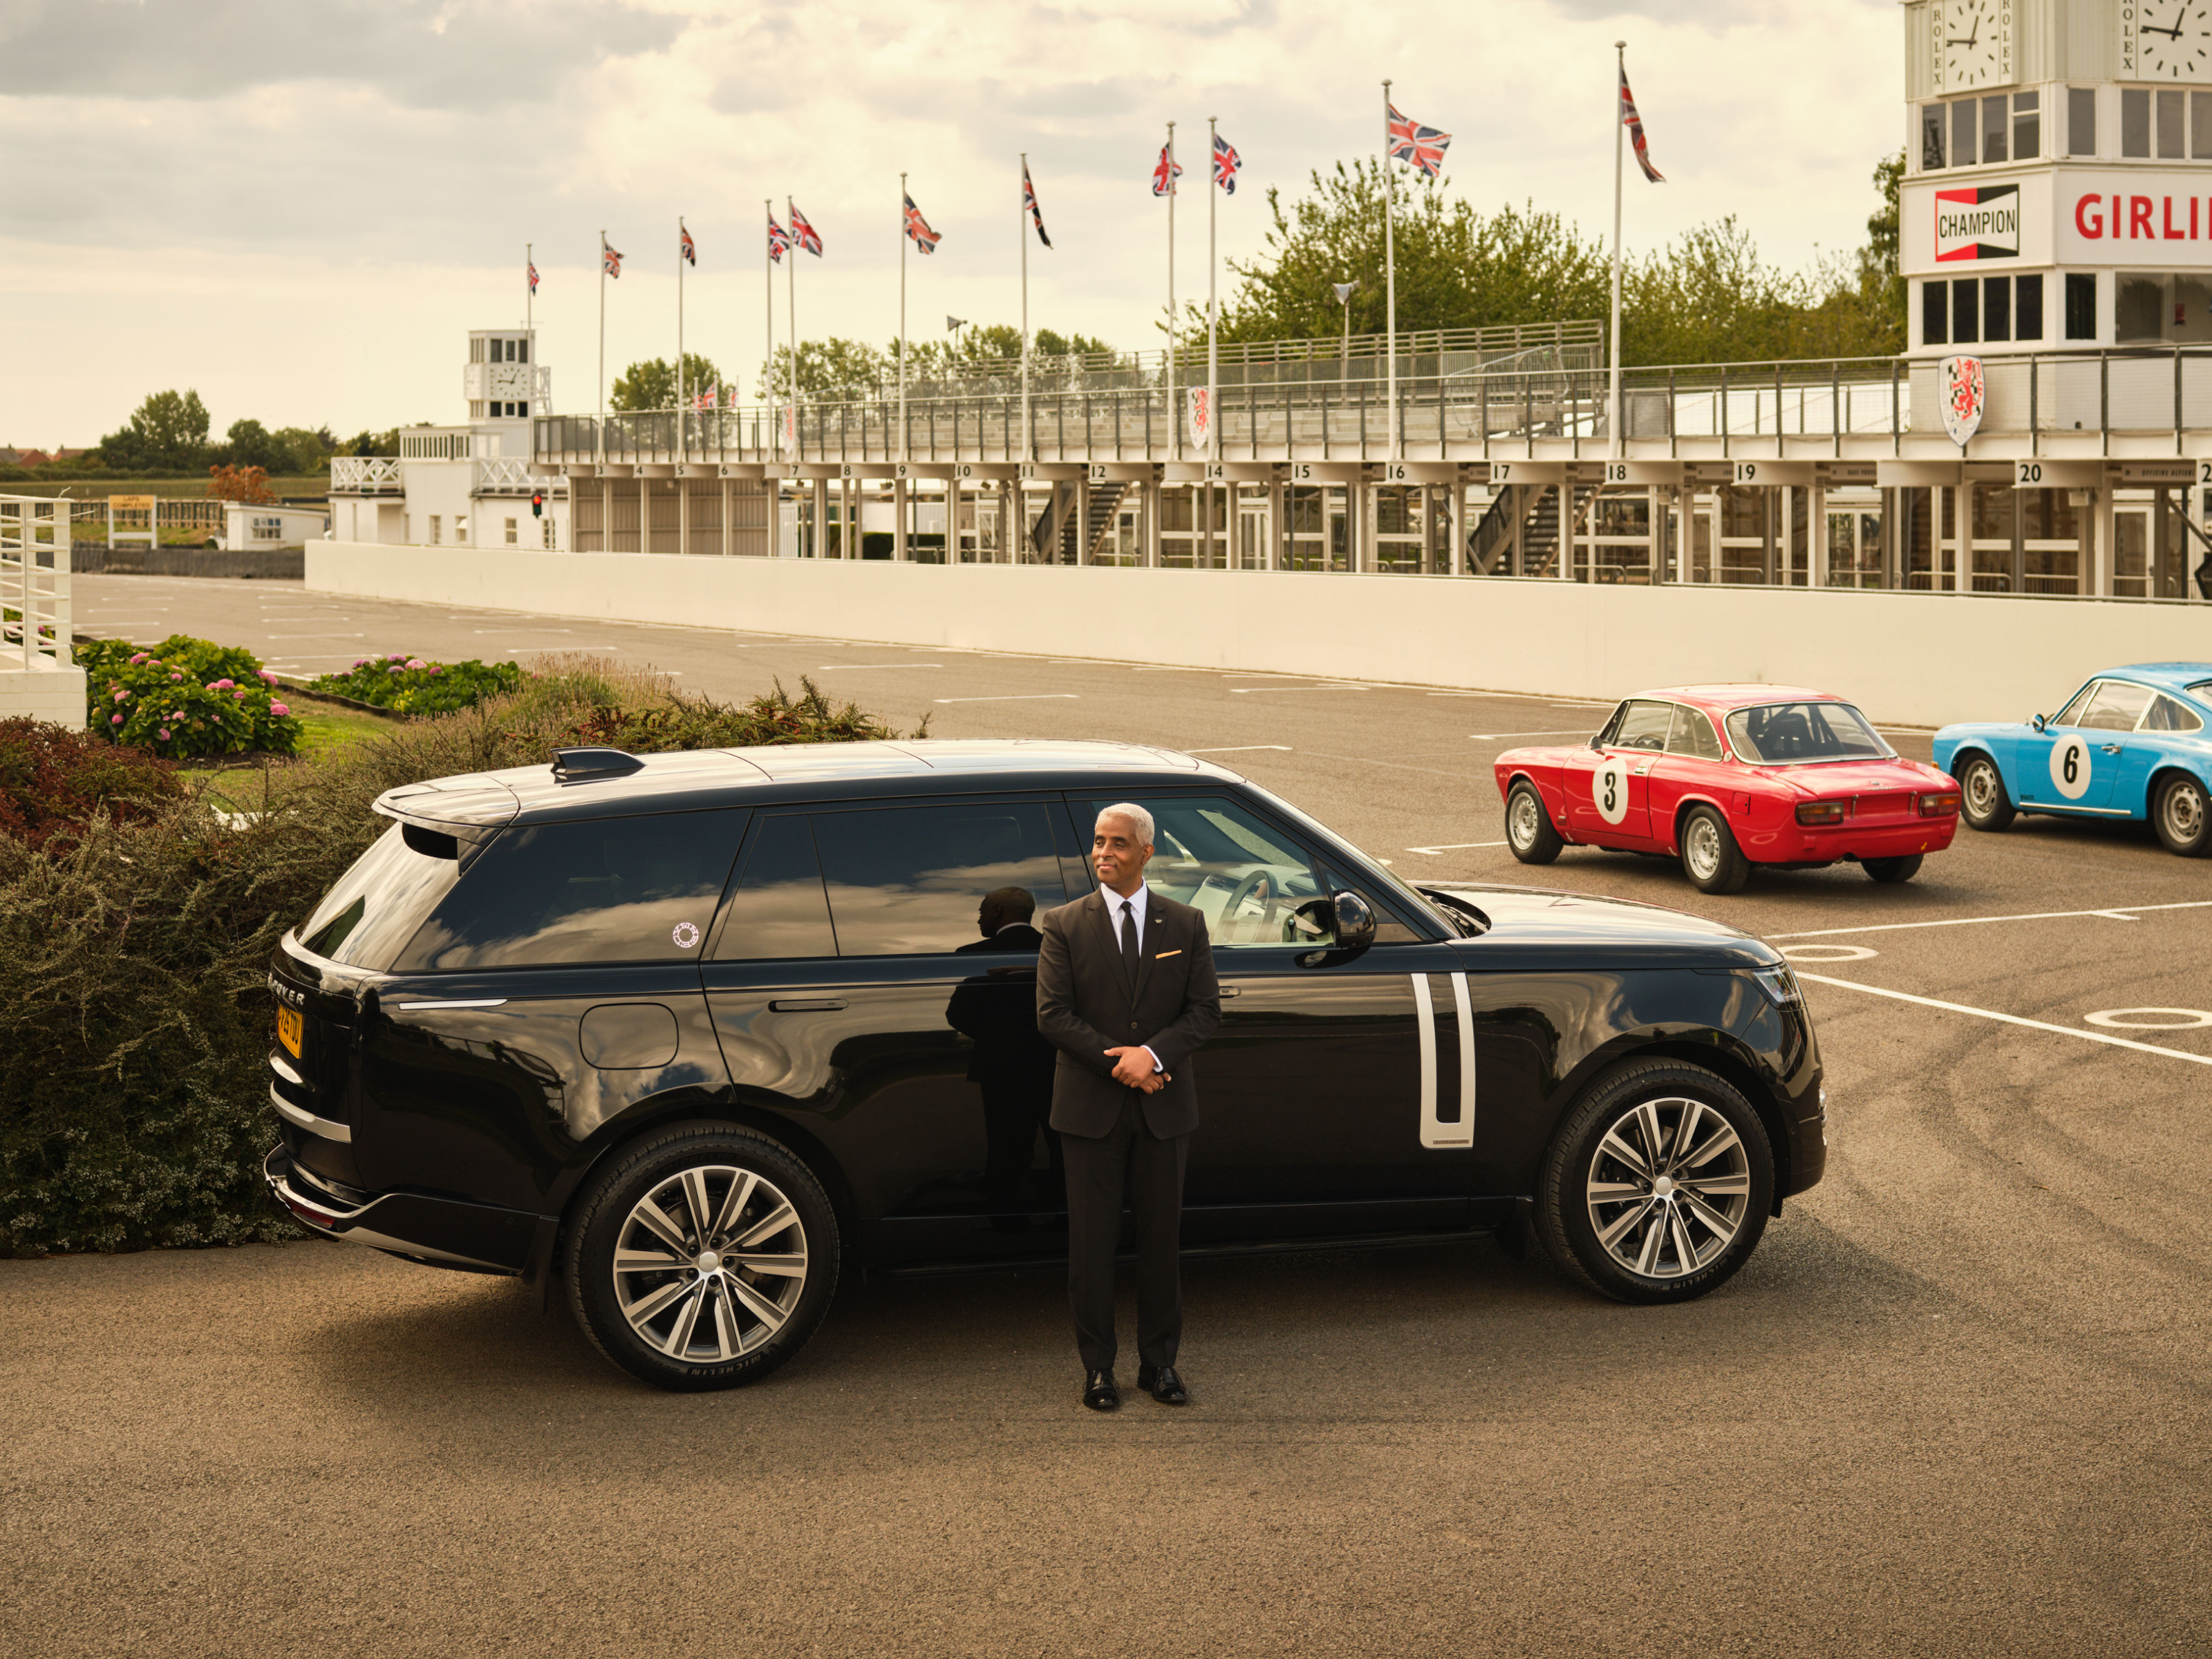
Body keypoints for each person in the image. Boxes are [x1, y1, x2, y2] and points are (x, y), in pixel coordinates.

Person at [1036, 803, 1220, 1412]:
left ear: (1146, 853)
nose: (1103, 853)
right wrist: (1124, 1064)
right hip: (1090, 1111)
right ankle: (1098, 1370)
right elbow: (1053, 1016)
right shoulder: (1064, 925)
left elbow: (1204, 1013)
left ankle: (1160, 1365)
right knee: (1090, 1247)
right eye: (1098, 842)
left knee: (1161, 1243)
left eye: (1117, 844)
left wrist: (1154, 1056)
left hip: (1165, 1112)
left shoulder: (1185, 924)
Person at [944, 887, 1060, 1219]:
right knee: (1064, 1144)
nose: (979, 917)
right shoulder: (1058, 948)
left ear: (997, 910)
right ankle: (1064, 1216)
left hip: (1001, 1069)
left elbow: (958, 1014)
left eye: (982, 910)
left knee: (1006, 1148)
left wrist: (998, 1038)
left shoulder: (973, 954)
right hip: (1057, 1064)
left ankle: (1006, 1220)